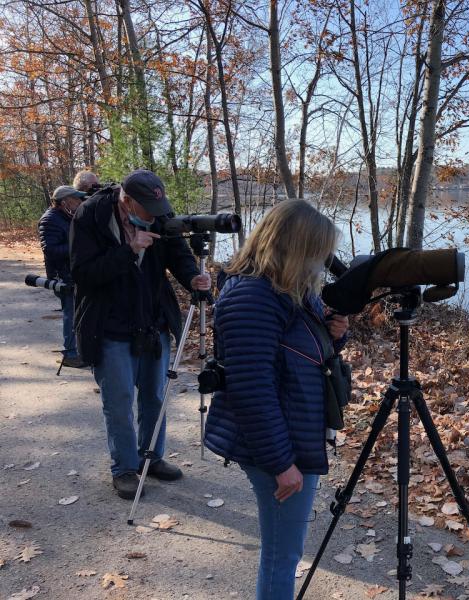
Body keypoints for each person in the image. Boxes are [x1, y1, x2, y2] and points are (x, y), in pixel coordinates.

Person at [204, 200, 348, 600]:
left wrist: (334, 334)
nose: (321, 263)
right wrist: (282, 463)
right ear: (294, 247)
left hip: (294, 430)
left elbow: (304, 351)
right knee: (281, 557)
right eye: (316, 252)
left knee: (285, 552)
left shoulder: (289, 287)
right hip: (277, 445)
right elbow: (251, 390)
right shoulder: (252, 297)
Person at [70, 169, 211, 499]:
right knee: (118, 401)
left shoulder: (159, 212)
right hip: (109, 325)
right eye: (147, 209)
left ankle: (151, 458)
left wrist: (192, 277)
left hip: (152, 320)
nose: (154, 216)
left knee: (155, 396)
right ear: (127, 200)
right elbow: (83, 273)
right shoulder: (90, 215)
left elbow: (178, 253)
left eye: (158, 209)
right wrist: (129, 250)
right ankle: (125, 468)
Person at [38, 185, 87, 368]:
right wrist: (78, 248)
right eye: (77, 199)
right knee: (71, 313)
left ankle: (81, 351)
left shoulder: (68, 217)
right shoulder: (49, 220)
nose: (80, 202)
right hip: (63, 276)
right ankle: (70, 354)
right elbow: (50, 250)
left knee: (79, 312)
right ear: (65, 202)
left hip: (75, 273)